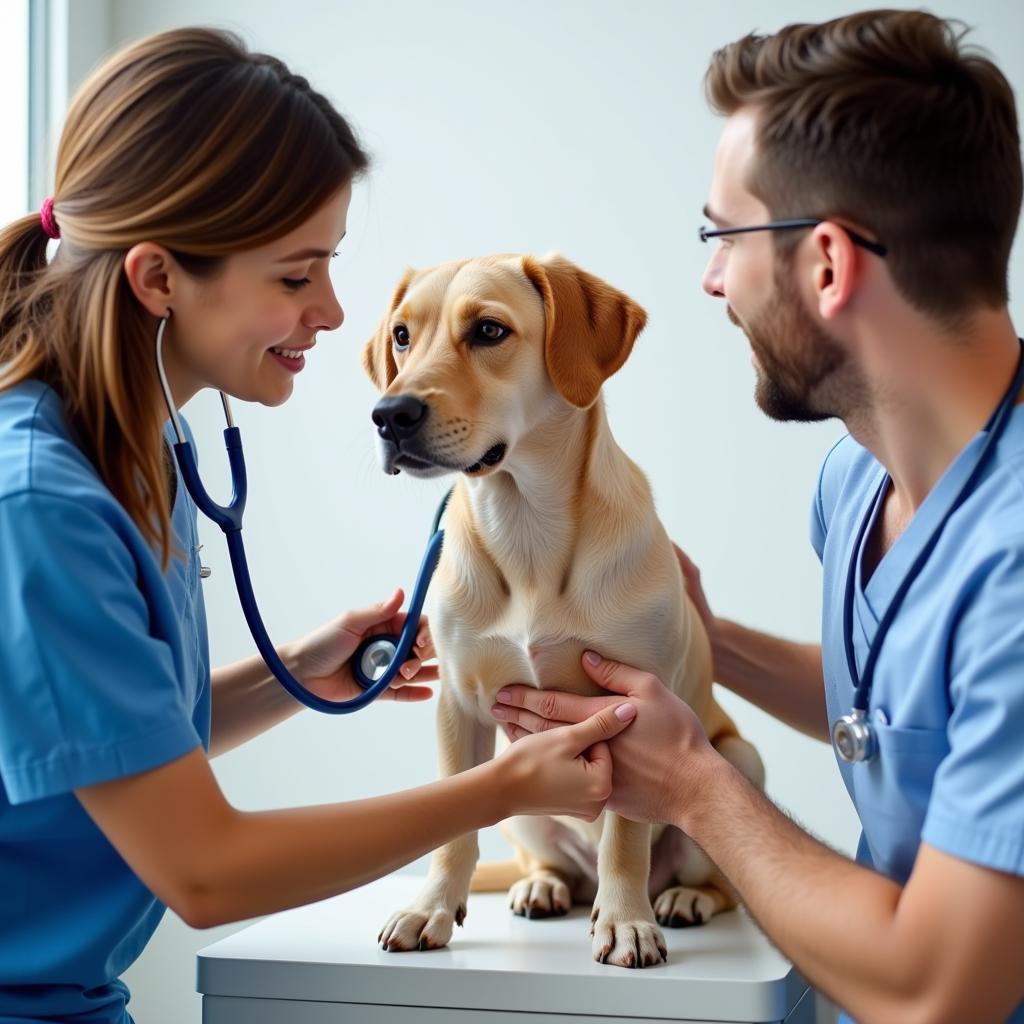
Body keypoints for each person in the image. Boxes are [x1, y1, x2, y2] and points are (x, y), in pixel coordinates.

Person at [0, 28, 637, 1024]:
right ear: (159, 279)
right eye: (297, 278)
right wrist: (498, 791)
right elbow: (204, 870)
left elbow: (110, 743)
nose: (339, 315)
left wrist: (294, 671)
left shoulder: (127, 450)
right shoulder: (38, 506)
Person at [491, 10, 1024, 1022]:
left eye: (721, 235)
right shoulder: (854, 479)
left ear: (826, 263)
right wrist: (700, 637)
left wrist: (692, 783)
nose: (707, 279)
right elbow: (915, 715)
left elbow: (948, 986)